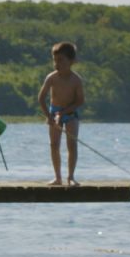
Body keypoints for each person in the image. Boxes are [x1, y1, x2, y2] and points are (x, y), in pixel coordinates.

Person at [36, 41, 85, 186]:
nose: (57, 64)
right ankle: (58, 177)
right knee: (54, 144)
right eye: (55, 60)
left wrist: (64, 112)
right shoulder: (51, 77)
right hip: (54, 112)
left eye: (61, 60)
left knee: (72, 144)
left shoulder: (76, 80)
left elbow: (80, 101)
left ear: (71, 61)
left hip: (70, 113)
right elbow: (41, 98)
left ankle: (71, 177)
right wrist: (49, 116)